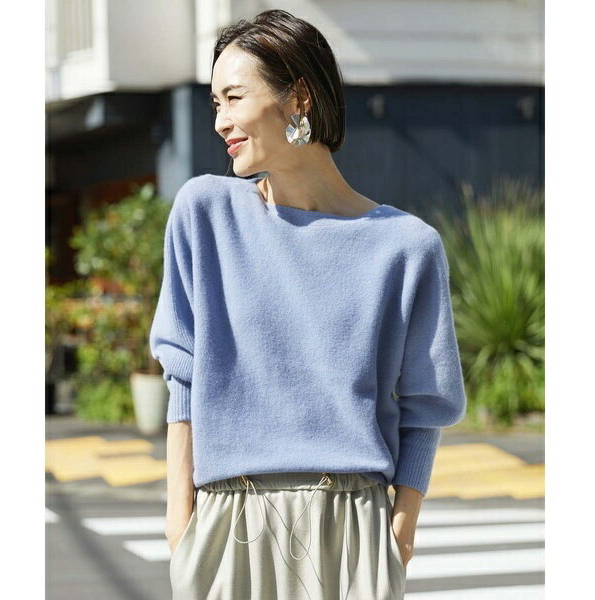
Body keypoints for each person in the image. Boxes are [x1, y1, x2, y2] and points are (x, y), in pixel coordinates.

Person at [149, 9, 466, 600]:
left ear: (298, 98)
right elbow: (183, 375)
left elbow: (425, 406)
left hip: (353, 527)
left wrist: (400, 531)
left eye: (233, 98)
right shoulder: (205, 213)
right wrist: (180, 523)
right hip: (227, 522)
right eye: (214, 103)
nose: (219, 121)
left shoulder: (405, 246)